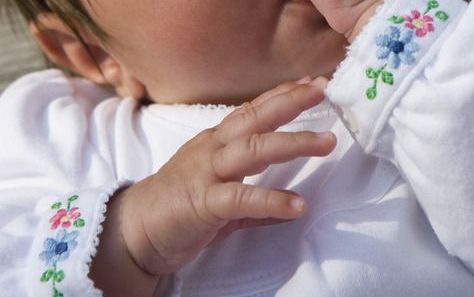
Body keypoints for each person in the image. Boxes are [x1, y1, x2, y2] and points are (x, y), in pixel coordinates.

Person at [0, 0, 473, 296]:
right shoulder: (67, 134)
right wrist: (127, 236)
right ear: (94, 53)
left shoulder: (439, 48)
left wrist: (402, 35)